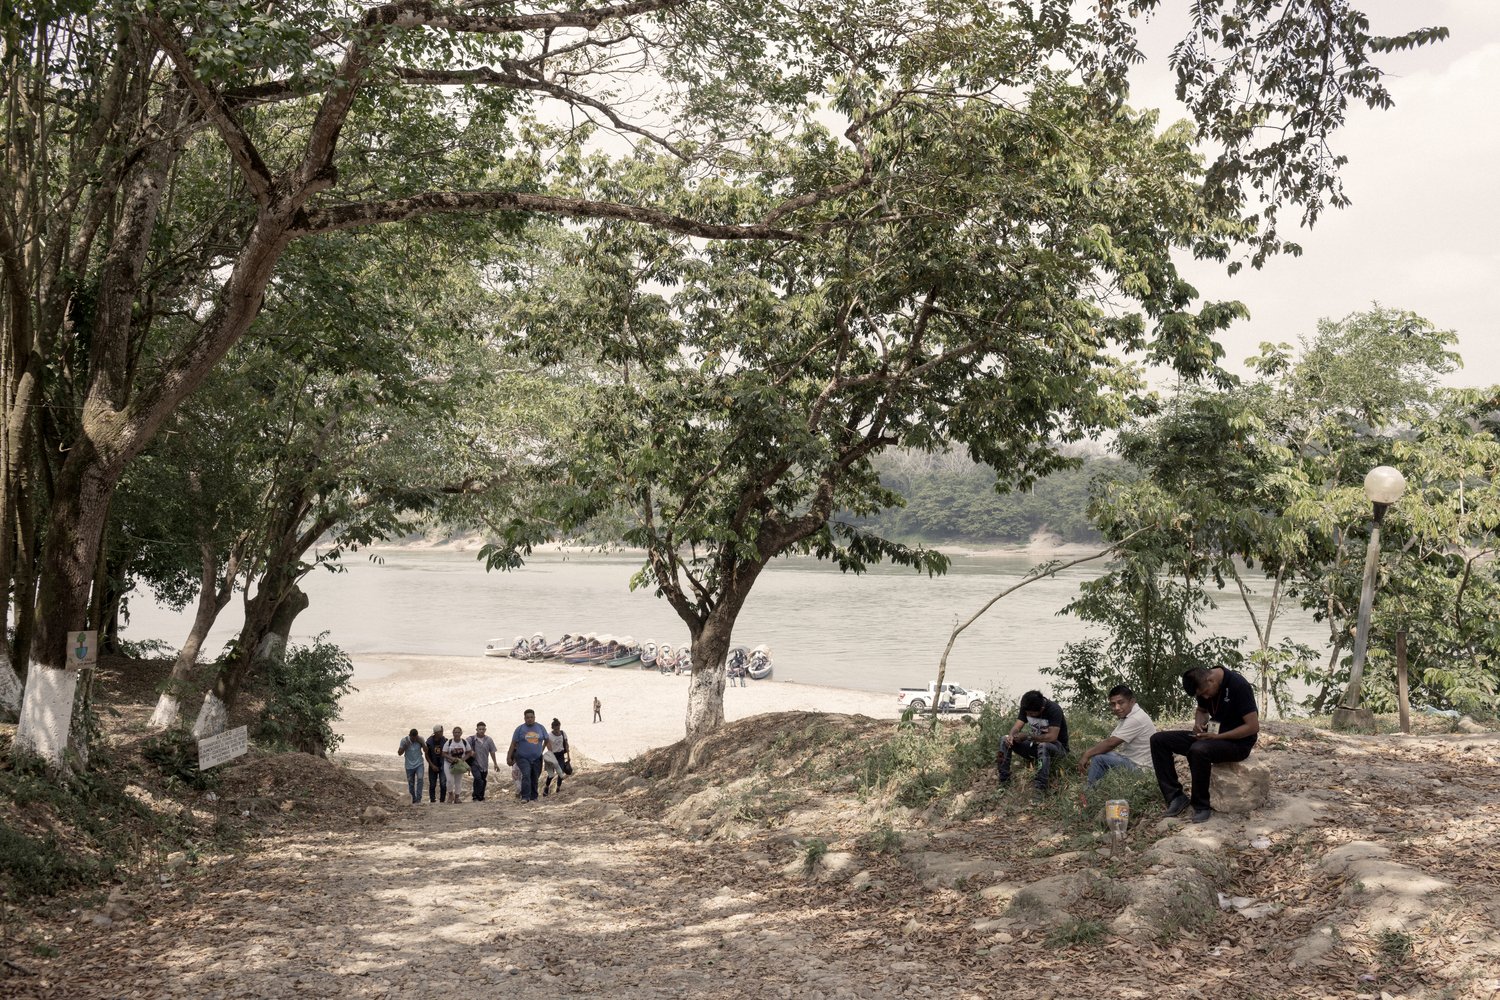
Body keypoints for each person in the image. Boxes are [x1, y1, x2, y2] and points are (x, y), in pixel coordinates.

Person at [1150, 665, 1260, 823]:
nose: (1206, 697)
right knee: (1158, 740)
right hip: (1212, 736)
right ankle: (1175, 796)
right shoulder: (1202, 685)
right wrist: (1199, 724)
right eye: (1201, 695)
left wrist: (1219, 737)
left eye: (1206, 693)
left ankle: (1201, 805)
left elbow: (1252, 727)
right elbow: (1202, 711)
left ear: (1211, 680)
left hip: (1238, 743)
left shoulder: (1238, 685)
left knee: (1198, 750)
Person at [1077, 685, 1157, 785]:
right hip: (1132, 762)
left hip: (1142, 770)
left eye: (1121, 702)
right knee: (1098, 754)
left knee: (1099, 759)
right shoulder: (1129, 714)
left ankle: (1089, 792)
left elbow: (1111, 743)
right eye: (1113, 704)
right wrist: (1092, 753)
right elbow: (1110, 741)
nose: (1116, 708)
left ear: (1132, 701)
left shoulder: (1136, 718)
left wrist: (1087, 754)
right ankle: (1096, 784)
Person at [997, 690, 1070, 797]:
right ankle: (1004, 780)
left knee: (1043, 745)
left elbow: (1052, 737)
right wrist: (1012, 735)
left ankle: (1040, 788)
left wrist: (1028, 736)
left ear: (1041, 709)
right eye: (1027, 713)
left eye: (1031, 714)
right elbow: (1017, 726)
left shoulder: (1054, 710)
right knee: (1004, 739)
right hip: (1035, 746)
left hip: (1058, 748)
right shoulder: (1027, 707)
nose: (1028, 715)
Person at [507, 708, 550, 802]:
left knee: (535, 776)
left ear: (534, 717)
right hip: (522, 757)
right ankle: (525, 797)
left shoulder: (540, 728)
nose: (529, 719)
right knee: (526, 775)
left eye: (531, 717)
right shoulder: (519, 729)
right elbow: (513, 744)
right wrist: (509, 757)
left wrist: (542, 750)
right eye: (527, 717)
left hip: (537, 758)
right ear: (524, 718)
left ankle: (534, 797)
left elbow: (547, 740)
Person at [467, 722, 500, 802]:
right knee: (478, 779)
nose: (481, 731)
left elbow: (492, 752)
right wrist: (471, 751)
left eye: (483, 729)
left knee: (483, 779)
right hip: (474, 763)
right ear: (476, 729)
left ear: (485, 730)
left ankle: (479, 796)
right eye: (480, 729)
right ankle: (477, 796)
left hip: (484, 764)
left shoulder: (489, 740)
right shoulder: (470, 739)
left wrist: (495, 763)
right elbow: (464, 748)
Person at [443, 725, 472, 804]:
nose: (457, 734)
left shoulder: (464, 742)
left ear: (461, 733)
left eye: (458, 732)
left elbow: (469, 752)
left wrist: (463, 759)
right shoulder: (449, 742)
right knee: (449, 780)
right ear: (453, 733)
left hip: (459, 764)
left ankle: (457, 798)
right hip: (449, 763)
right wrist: (451, 758)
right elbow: (443, 753)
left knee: (458, 781)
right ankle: (450, 795)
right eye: (455, 732)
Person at [542, 717, 571, 796]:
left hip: (561, 754)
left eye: (558, 727)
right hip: (552, 755)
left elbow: (566, 744)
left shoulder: (562, 733)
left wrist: (568, 755)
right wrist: (540, 753)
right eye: (556, 728)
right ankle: (546, 787)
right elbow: (544, 745)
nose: (557, 729)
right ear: (553, 727)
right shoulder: (549, 736)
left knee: (561, 772)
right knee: (551, 774)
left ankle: (558, 787)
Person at [398, 728, 426, 804]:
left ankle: (419, 799)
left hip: (419, 763)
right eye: (412, 738)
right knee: (411, 782)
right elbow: (399, 753)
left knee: (420, 779)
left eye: (415, 738)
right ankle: (413, 799)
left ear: (417, 736)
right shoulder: (404, 740)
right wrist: (405, 746)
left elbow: (426, 751)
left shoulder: (420, 739)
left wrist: (422, 743)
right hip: (409, 765)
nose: (414, 739)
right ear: (409, 735)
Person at [424, 724, 448, 803]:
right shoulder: (429, 742)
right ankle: (432, 800)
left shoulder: (445, 740)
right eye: (441, 731)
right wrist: (432, 765)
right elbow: (426, 755)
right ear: (437, 732)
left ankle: (442, 800)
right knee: (432, 784)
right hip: (432, 765)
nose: (442, 733)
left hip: (442, 765)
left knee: (443, 783)